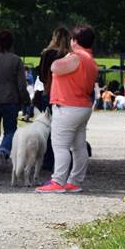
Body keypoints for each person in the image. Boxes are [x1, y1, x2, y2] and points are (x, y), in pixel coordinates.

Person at [37, 24, 98, 194]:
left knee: (60, 145)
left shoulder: (76, 56)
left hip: (67, 106)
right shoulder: (91, 60)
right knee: (78, 146)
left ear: (75, 40)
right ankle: (75, 181)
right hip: (82, 106)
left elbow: (54, 67)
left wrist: (64, 53)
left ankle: (58, 181)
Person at [0, 29, 29, 172]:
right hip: (11, 100)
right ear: (12, 43)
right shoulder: (16, 60)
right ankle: (4, 149)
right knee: (10, 130)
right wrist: (25, 100)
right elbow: (22, 85)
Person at [36, 26, 71, 114]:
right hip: (67, 96)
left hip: (49, 91)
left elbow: (41, 76)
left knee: (48, 125)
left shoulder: (46, 54)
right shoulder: (70, 55)